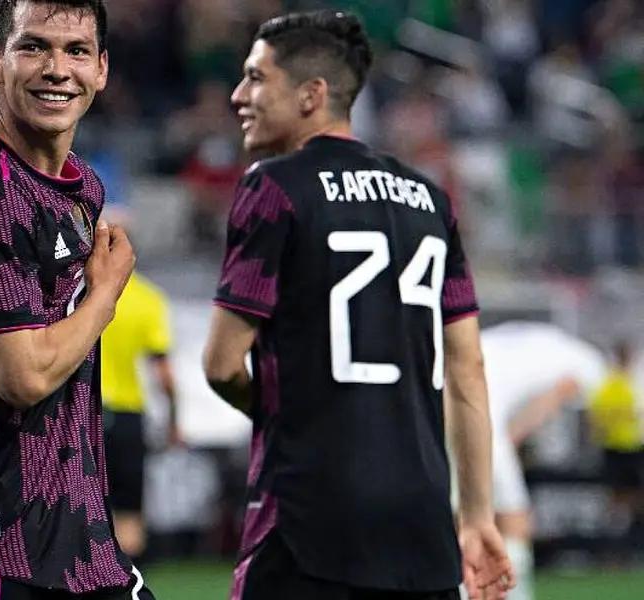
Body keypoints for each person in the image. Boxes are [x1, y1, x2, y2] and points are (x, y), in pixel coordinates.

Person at [200, 11, 515, 600]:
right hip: (423, 528)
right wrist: (476, 518)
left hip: (309, 520)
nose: (239, 95)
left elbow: (221, 365)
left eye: (257, 78)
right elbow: (468, 369)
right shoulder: (431, 201)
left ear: (311, 95)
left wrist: (293, 416)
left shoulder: (272, 187)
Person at [0, 1, 154, 598]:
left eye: (76, 51)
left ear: (101, 69)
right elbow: (22, 377)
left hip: (79, 542)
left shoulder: (82, 187)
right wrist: (105, 295)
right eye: (33, 46)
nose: (57, 69)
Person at [478, 322, 607, 600]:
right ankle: (516, 593)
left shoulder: (546, 340)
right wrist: (511, 439)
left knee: (465, 514)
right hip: (482, 412)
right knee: (514, 514)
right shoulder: (590, 368)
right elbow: (548, 403)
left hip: (448, 391)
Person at [100, 266, 181, 560]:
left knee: (78, 503)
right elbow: (164, 376)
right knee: (129, 512)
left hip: (82, 413)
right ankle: (127, 577)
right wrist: (173, 421)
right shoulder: (147, 298)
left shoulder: (81, 293)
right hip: (127, 416)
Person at [588, 339, 644, 562]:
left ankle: (625, 543)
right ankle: (618, 546)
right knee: (620, 498)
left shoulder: (620, 384)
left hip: (625, 447)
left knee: (625, 498)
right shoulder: (615, 384)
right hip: (622, 448)